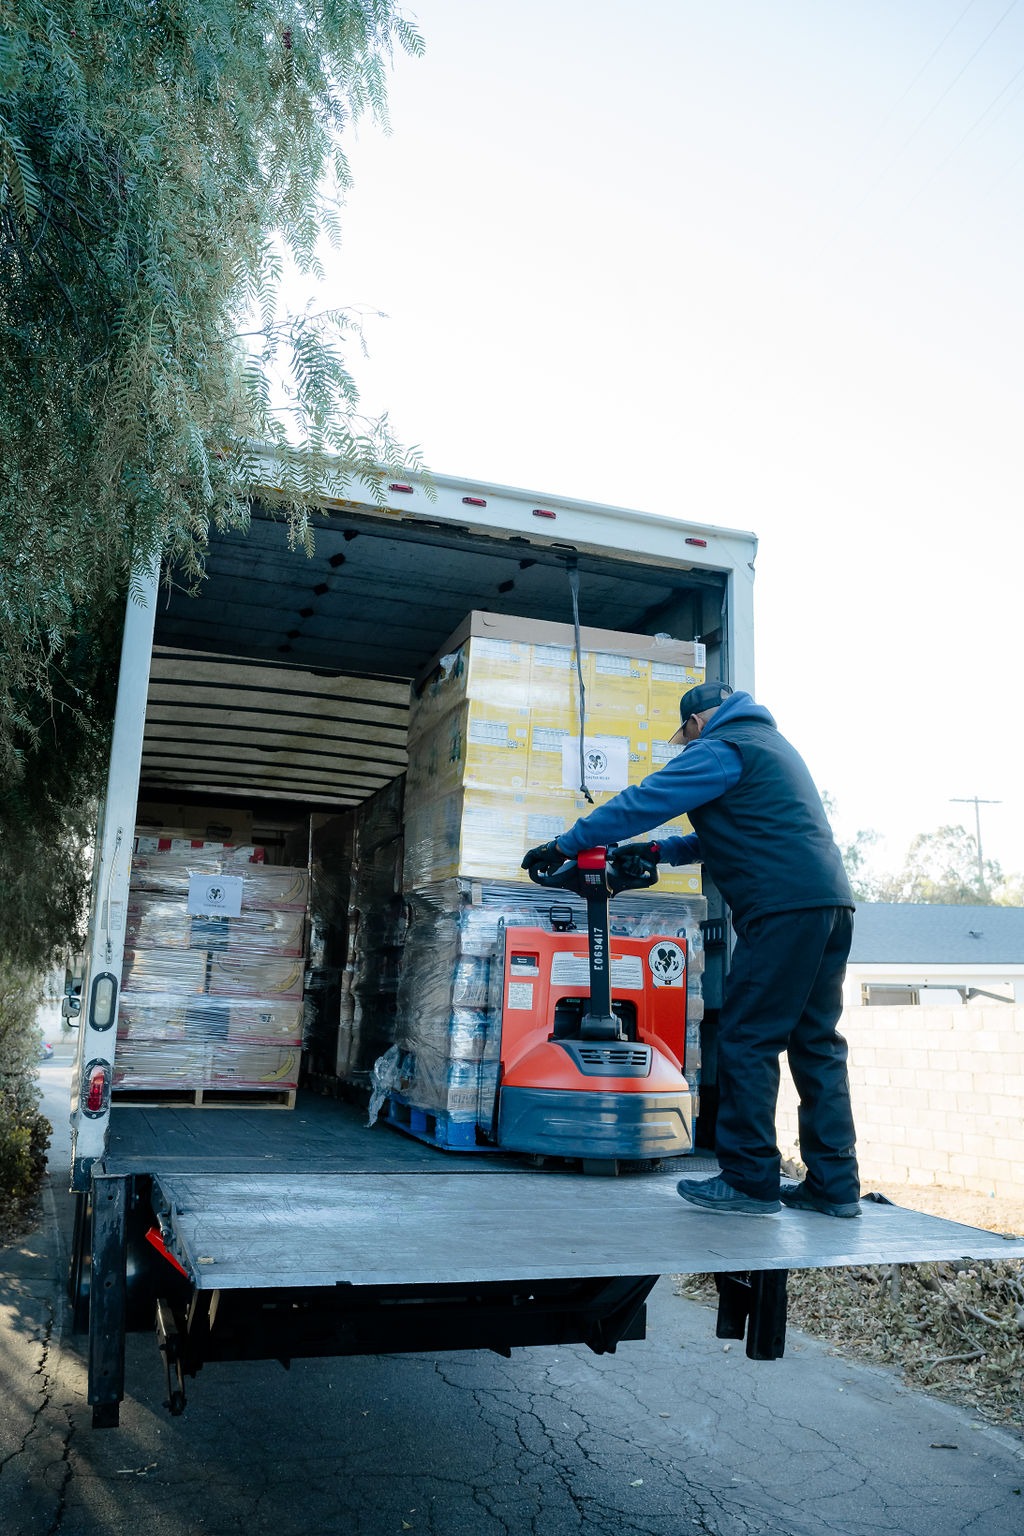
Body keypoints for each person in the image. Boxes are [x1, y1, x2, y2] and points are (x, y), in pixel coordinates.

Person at [521, 681, 860, 1219]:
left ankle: (750, 1180)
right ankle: (835, 1186)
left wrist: (569, 842)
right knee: (817, 1042)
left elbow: (648, 799)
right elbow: (722, 835)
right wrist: (656, 851)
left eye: (687, 738)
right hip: (830, 904)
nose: (687, 747)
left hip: (779, 910)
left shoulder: (723, 747)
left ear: (698, 723)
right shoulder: (771, 747)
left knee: (749, 1038)